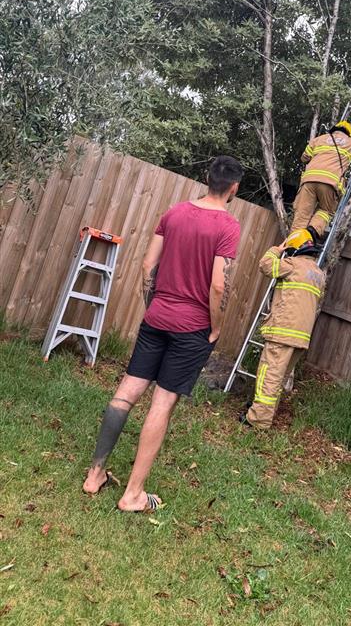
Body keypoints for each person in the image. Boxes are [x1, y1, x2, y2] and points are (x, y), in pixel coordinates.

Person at [82, 155, 243, 511]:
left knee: (127, 391)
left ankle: (95, 475)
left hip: (156, 318)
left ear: (206, 178)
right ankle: (133, 494)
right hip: (192, 328)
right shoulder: (228, 226)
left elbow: (146, 264)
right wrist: (216, 327)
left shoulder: (173, 213)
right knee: (162, 403)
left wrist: (151, 305)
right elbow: (218, 286)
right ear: (234, 188)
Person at [242, 228, 326, 429]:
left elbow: (266, 266)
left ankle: (258, 420)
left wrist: (277, 250)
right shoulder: (318, 274)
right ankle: (262, 409)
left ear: (294, 248)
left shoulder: (292, 265)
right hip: (301, 336)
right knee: (278, 378)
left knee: (268, 374)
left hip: (282, 331)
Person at [290, 120, 351, 241]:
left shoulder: (319, 139)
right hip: (330, 183)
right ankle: (313, 230)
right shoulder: (350, 142)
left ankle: (293, 242)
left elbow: (304, 157)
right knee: (326, 210)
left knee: (302, 214)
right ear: (348, 133)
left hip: (309, 181)